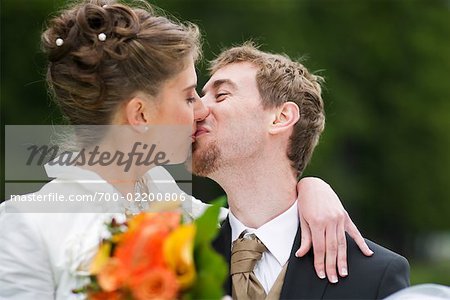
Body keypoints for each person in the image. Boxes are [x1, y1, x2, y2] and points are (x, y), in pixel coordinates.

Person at [1, 1, 371, 299]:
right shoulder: (25, 225)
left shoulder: (180, 208)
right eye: (188, 95)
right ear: (141, 114)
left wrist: (311, 188)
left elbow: (259, 216)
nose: (201, 109)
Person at [190, 43, 411, 298]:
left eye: (221, 95)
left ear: (281, 117)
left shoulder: (375, 276)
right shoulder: (180, 262)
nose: (197, 109)